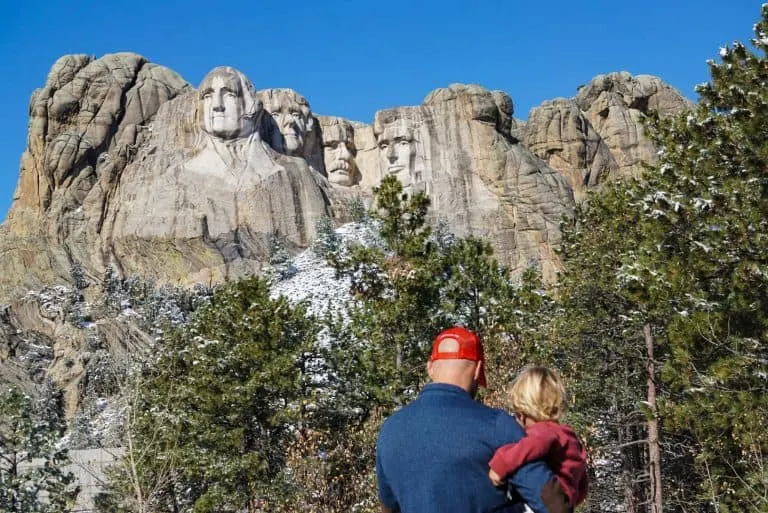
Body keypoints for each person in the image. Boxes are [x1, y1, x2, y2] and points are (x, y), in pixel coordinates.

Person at [375, 327, 571, 513]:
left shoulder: (390, 430)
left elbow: (389, 506)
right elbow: (555, 506)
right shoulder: (498, 426)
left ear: (430, 368)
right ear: (477, 370)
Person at [488, 366, 588, 510]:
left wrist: (500, 465)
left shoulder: (543, 432)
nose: (517, 419)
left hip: (544, 501)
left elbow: (526, 449)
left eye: (517, 414)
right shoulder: (568, 436)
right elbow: (582, 478)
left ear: (526, 410)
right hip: (564, 503)